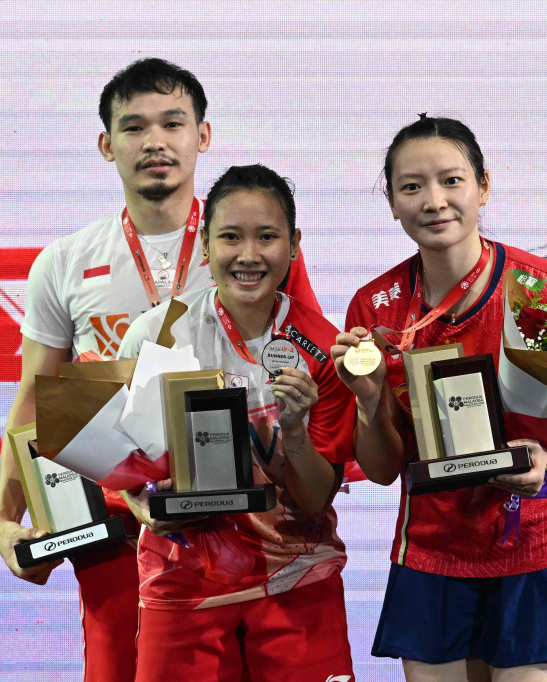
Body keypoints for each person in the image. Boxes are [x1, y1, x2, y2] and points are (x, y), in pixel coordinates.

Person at [0, 58, 321, 682]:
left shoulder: (249, 244)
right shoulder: (64, 262)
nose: (155, 141)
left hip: (248, 523)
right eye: (134, 126)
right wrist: (5, 516)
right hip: (116, 529)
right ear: (106, 144)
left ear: (203, 135)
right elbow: (37, 396)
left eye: (173, 123)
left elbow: (297, 374)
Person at [332, 115, 547, 681]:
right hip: (434, 552)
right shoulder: (376, 308)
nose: (434, 201)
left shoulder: (545, 290)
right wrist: (367, 400)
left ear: (483, 187)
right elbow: (383, 470)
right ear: (391, 202)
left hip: (540, 544)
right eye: (411, 186)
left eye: (452, 181)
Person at [117, 164, 355, 681]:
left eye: (267, 237)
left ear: (294, 245)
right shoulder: (157, 335)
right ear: (205, 244)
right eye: (230, 237)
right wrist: (143, 506)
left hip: (298, 581)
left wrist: (295, 431)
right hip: (183, 585)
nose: (249, 255)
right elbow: (122, 463)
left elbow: (316, 500)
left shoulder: (321, 345)